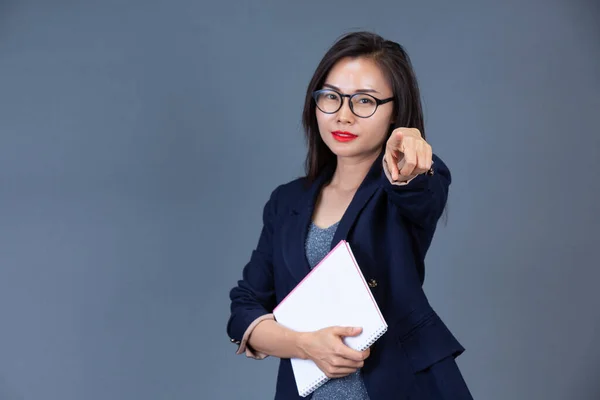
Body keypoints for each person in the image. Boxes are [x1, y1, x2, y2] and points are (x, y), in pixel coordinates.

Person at [226, 31, 473, 400]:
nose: (343, 115)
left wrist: (411, 164)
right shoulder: (287, 201)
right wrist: (304, 344)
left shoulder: (404, 183)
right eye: (330, 97)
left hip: (406, 387)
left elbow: (421, 192)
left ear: (395, 112)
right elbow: (244, 308)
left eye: (365, 101)